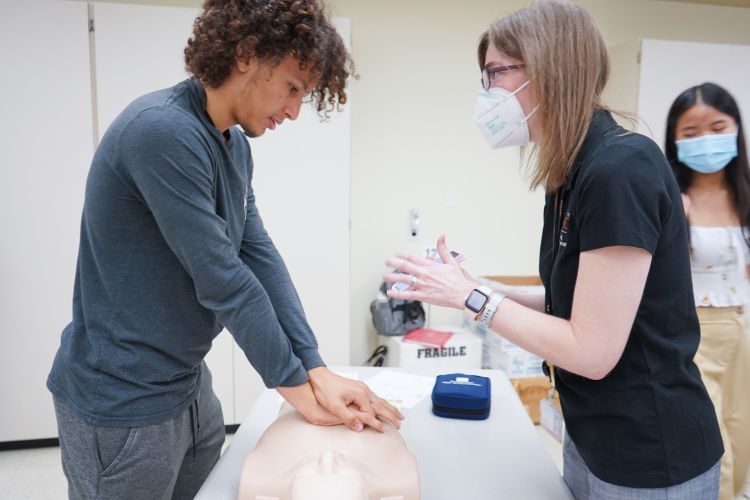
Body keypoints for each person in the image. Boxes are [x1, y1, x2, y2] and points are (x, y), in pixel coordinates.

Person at [46, 1, 402, 498]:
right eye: (293, 88)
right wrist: (297, 389)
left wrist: (315, 367)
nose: (295, 111)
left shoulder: (234, 146)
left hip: (188, 384)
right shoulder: (161, 131)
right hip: (123, 401)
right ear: (246, 54)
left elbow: (257, 256)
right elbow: (222, 278)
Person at [384, 1, 723, 498]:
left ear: (548, 69)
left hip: (651, 452)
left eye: (495, 74)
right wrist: (471, 288)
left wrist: (474, 301)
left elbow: (591, 349)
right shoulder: (570, 173)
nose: (487, 93)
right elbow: (572, 308)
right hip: (591, 435)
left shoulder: (620, 170)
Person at [665, 82, 750, 500]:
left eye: (718, 127)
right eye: (692, 133)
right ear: (675, 141)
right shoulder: (673, 200)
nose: (706, 140)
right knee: (717, 449)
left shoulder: (746, 195)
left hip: (743, 328)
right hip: (695, 333)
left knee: (742, 436)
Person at [238, 404, 420, 500]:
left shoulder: (259, 483)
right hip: (363, 420)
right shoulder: (399, 484)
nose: (328, 461)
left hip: (296, 416)